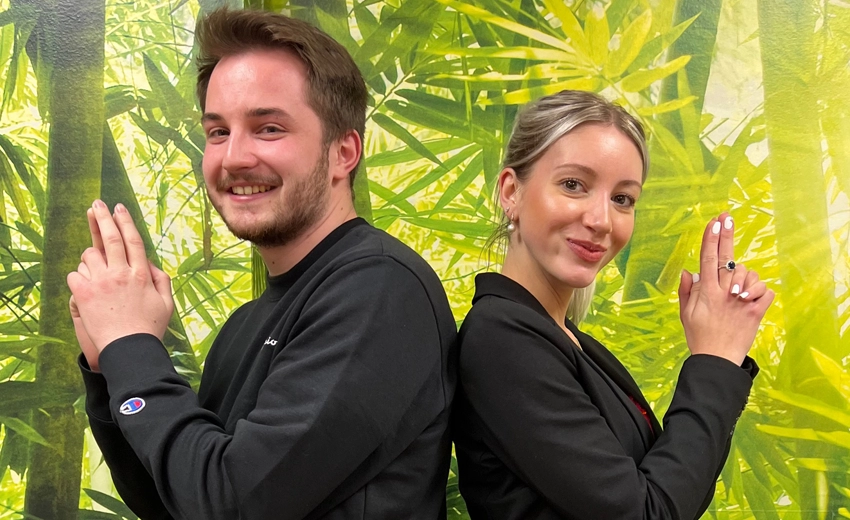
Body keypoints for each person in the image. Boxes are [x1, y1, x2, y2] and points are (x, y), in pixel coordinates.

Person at [67, 8, 456, 520]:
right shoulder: (244, 325)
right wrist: (110, 367)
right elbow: (173, 502)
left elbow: (232, 504)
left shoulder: (381, 290)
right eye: (218, 132)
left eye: (268, 128)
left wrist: (133, 347)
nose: (233, 158)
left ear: (344, 153)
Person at [452, 90, 774, 520]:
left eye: (622, 199)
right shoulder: (503, 338)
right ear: (511, 191)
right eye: (573, 185)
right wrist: (715, 361)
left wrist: (715, 356)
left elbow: (671, 494)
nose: (601, 220)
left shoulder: (568, 340)